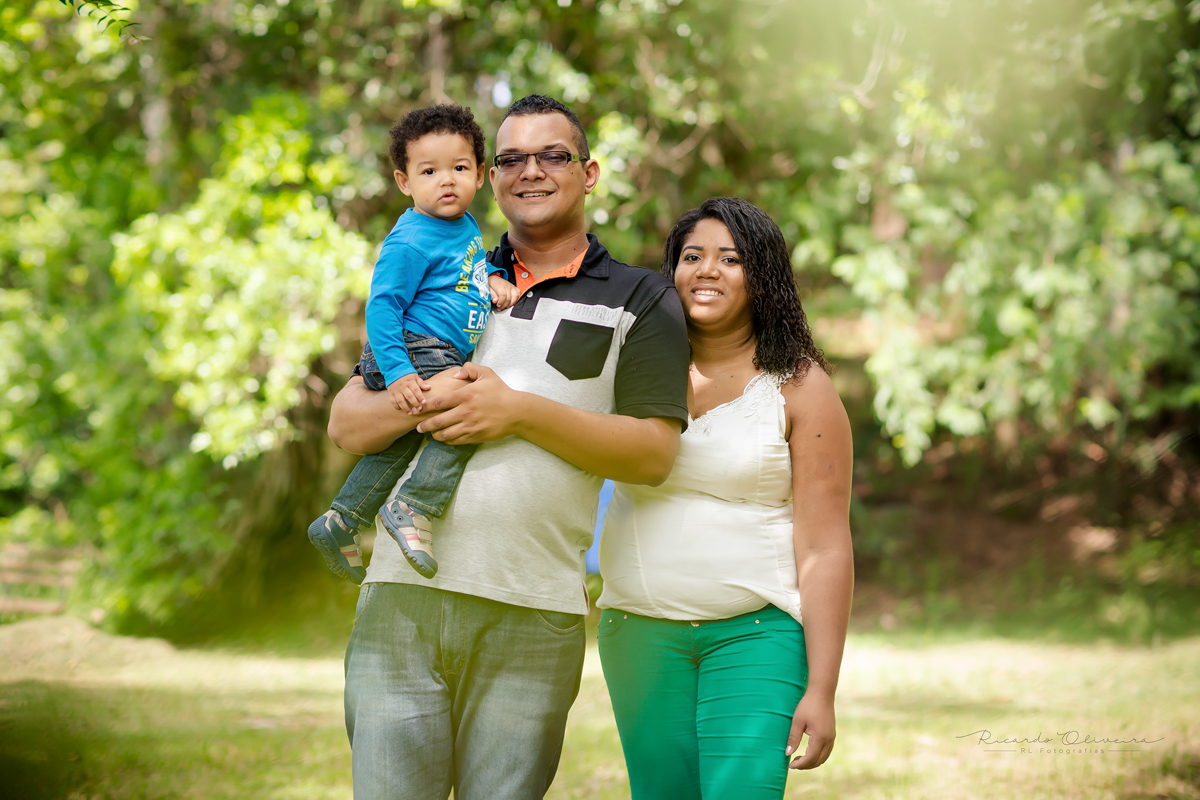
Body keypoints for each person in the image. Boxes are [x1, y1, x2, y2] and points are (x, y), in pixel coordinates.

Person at [328, 95, 691, 800]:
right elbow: (348, 424)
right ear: (491, 178)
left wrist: (518, 412)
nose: (532, 171)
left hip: (533, 607)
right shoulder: (444, 267)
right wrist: (433, 398)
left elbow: (652, 454)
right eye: (512, 159)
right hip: (400, 601)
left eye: (553, 155)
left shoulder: (642, 299)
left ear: (589, 172)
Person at [596, 197, 854, 799]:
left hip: (756, 637)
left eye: (730, 259)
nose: (707, 270)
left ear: (762, 278)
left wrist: (822, 689)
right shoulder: (626, 368)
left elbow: (824, 546)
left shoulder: (800, 387)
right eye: (692, 256)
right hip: (638, 635)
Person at [307, 103, 519, 583]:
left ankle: (342, 519)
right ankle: (414, 505)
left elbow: (463, 270)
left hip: (433, 350)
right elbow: (383, 306)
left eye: (459, 168)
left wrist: (493, 275)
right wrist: (399, 371)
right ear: (405, 182)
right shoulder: (410, 239)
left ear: (479, 174)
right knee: (466, 416)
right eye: (429, 172)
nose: (447, 181)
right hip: (415, 348)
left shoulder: (462, 225)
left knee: (402, 440)